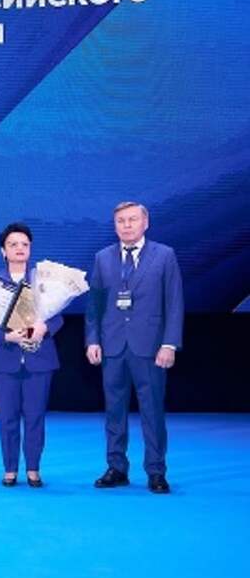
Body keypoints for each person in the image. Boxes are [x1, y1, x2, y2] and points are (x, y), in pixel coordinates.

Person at [86, 202, 183, 494]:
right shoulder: (102, 258)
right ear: (115, 225)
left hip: (150, 347)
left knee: (152, 411)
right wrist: (92, 340)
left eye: (132, 220)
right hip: (112, 346)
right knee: (114, 410)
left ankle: (156, 471)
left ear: (145, 223)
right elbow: (94, 305)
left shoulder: (164, 255)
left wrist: (169, 344)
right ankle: (116, 468)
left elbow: (174, 303)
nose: (126, 225)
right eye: (121, 221)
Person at [0, 223, 62, 487]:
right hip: (3, 360)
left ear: (30, 249)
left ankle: (33, 468)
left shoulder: (43, 281)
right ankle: (10, 469)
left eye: (24, 244)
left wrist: (45, 328)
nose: (19, 248)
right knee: (7, 418)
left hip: (39, 360)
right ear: (3, 251)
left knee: (36, 417)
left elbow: (58, 317)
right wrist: (5, 337)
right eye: (13, 244)